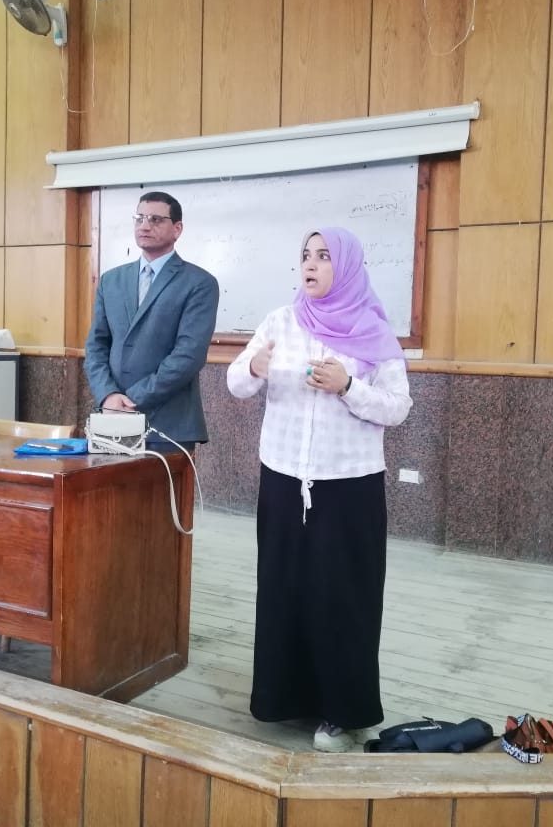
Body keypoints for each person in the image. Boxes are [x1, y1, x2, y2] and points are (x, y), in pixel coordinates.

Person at [226, 226, 412, 752]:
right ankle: (284, 698)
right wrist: (254, 366)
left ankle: (343, 713)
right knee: (284, 590)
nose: (310, 264)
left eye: (324, 256)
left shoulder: (374, 332)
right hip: (283, 478)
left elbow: (398, 408)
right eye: (306, 255)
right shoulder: (279, 322)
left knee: (342, 598)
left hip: (348, 485)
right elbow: (236, 384)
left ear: (346, 267)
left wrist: (348, 387)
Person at [85, 191, 219, 450]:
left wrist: (130, 400)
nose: (144, 226)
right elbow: (96, 346)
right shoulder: (111, 280)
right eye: (139, 218)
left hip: (168, 425)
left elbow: (188, 356)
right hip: (112, 419)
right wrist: (108, 395)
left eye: (156, 219)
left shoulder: (199, 283)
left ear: (177, 229)